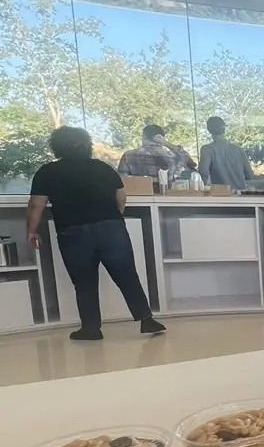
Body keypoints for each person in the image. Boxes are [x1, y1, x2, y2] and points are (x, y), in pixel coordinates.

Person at [26, 127, 166, 341]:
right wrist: (112, 220)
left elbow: (37, 205)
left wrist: (32, 231)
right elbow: (121, 198)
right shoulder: (103, 168)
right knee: (127, 275)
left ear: (56, 147)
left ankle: (91, 328)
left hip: (72, 232)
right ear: (87, 145)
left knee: (83, 281)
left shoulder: (47, 172)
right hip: (111, 228)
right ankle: (147, 320)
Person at [118, 124, 191, 179]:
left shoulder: (129, 156)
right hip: (166, 197)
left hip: (138, 196)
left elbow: (122, 181)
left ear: (143, 137)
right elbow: (188, 161)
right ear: (161, 138)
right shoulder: (172, 156)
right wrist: (166, 143)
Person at [199, 117, 253, 191]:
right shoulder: (239, 150)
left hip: (221, 195)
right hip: (241, 197)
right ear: (224, 130)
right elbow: (250, 175)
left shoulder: (207, 149)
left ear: (209, 130)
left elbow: (203, 173)